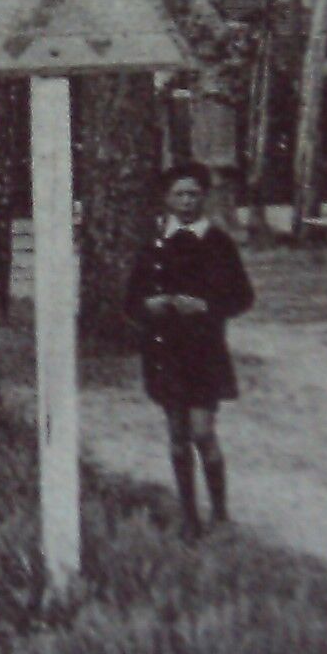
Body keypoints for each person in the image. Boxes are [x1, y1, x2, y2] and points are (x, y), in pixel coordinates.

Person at [124, 166, 254, 537]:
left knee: (203, 432)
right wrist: (151, 305)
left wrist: (206, 306)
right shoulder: (153, 245)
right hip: (165, 350)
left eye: (193, 194)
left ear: (204, 198)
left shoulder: (218, 243)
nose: (186, 202)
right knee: (177, 434)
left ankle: (221, 512)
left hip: (204, 350)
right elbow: (130, 300)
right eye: (179, 195)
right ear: (166, 198)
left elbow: (243, 297)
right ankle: (189, 516)